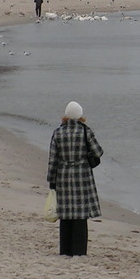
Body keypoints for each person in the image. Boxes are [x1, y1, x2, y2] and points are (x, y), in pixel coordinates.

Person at [47, 101, 104, 256]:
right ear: (80, 115)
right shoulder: (85, 131)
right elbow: (98, 152)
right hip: (82, 176)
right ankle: (79, 251)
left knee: (65, 215)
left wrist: (52, 181)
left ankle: (65, 250)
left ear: (65, 115)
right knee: (80, 216)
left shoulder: (58, 133)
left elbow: (53, 159)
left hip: (63, 176)